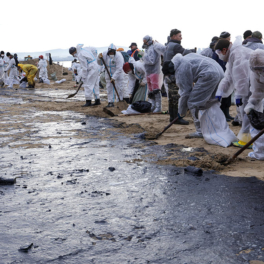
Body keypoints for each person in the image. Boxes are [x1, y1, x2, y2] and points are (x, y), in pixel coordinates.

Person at [167, 53, 237, 146]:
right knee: (211, 102)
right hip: (219, 72)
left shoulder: (180, 70)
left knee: (193, 103)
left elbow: (185, 93)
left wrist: (181, 112)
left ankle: (200, 131)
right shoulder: (186, 57)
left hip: (208, 75)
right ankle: (216, 127)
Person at [215, 36, 253, 148]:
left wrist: (240, 95)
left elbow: (241, 78)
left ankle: (246, 141)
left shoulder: (238, 54)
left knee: (247, 111)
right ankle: (248, 138)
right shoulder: (233, 55)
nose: (219, 55)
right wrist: (220, 92)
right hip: (250, 86)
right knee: (246, 112)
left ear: (224, 50)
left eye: (219, 52)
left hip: (253, 86)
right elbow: (228, 76)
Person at [163, 29, 195, 124]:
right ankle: (177, 118)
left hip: (168, 74)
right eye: (179, 36)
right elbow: (186, 53)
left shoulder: (168, 45)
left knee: (172, 97)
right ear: (173, 36)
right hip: (174, 75)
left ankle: (172, 118)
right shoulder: (176, 46)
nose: (181, 37)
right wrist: (194, 51)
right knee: (177, 97)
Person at [245, 49, 264, 159]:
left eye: (262, 69)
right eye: (257, 70)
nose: (259, 72)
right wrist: (251, 104)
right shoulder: (255, 73)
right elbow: (257, 92)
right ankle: (260, 153)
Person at [142, 35, 162, 112]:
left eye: (145, 42)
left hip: (154, 71)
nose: (144, 43)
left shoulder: (153, 48)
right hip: (148, 71)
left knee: (156, 89)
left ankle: (158, 106)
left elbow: (152, 61)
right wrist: (142, 56)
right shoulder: (147, 49)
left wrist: (143, 56)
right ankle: (152, 105)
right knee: (150, 90)